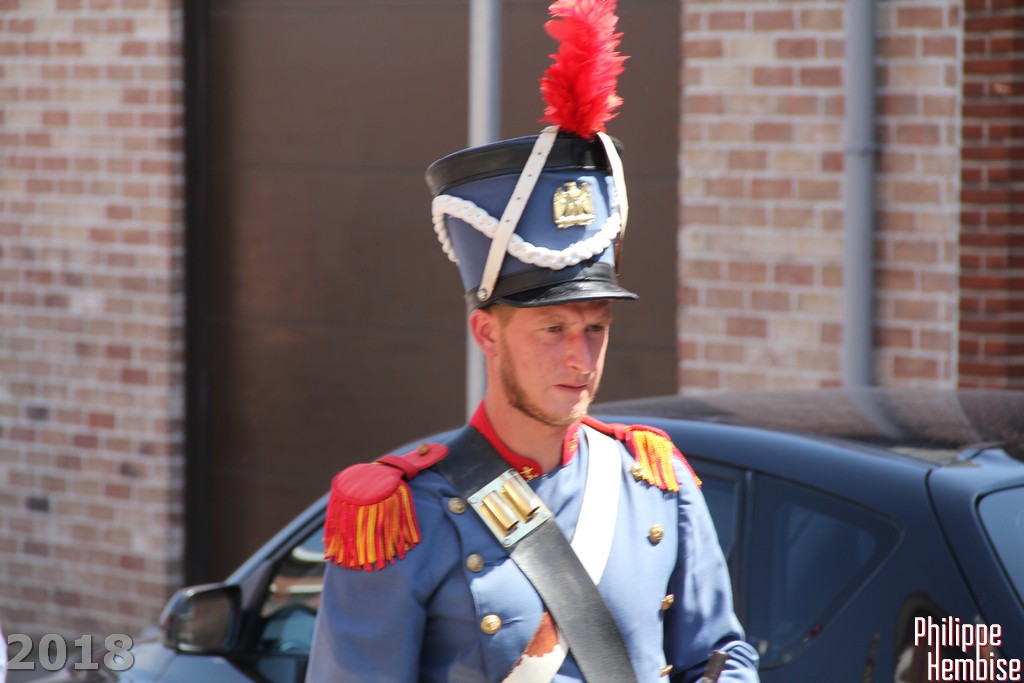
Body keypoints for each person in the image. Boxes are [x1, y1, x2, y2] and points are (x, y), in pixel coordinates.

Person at [305, 0, 759, 680]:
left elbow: (720, 655)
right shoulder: (404, 515)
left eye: (596, 328)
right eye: (553, 329)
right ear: (486, 331)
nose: (581, 356)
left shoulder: (655, 482)